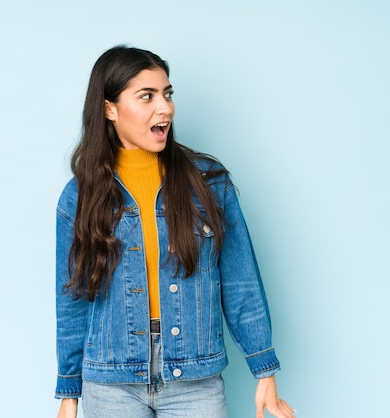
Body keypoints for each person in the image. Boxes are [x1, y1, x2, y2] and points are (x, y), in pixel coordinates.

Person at [54, 45, 295, 418]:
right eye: (146, 96)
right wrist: (69, 392)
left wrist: (264, 369)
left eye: (167, 94)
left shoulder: (209, 183)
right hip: (111, 380)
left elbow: (239, 281)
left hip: (195, 379)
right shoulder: (80, 196)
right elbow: (71, 300)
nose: (164, 108)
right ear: (109, 109)